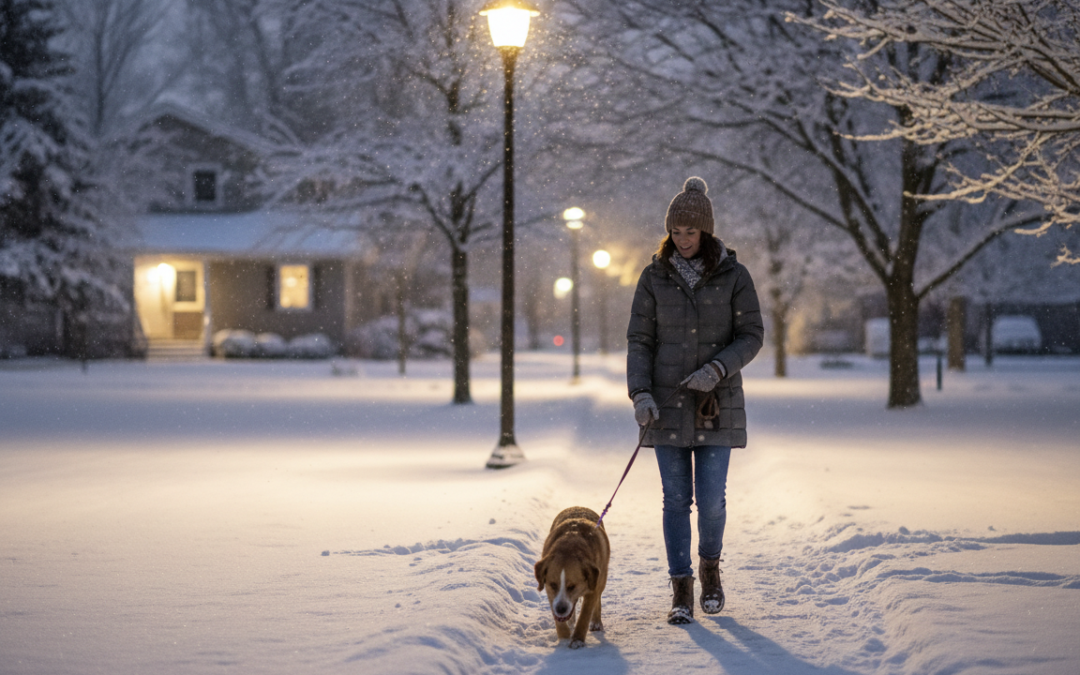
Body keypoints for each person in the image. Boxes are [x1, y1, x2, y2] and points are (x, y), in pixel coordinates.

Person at [626, 176, 764, 624]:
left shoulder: (734, 276)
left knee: (711, 501)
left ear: (706, 231)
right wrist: (640, 393)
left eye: (691, 231)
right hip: (665, 406)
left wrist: (718, 368)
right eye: (676, 231)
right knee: (674, 501)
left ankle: (710, 569)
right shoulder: (653, 277)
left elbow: (752, 335)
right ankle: (681, 587)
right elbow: (640, 341)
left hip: (715, 406)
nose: (683, 239)